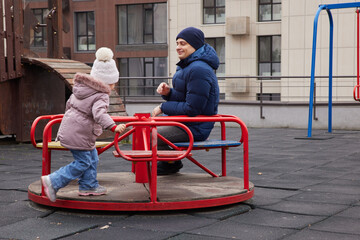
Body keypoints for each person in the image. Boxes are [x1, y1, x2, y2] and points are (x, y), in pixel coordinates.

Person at [41, 47, 126, 202]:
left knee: (92, 158)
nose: (114, 87)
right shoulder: (101, 95)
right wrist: (113, 126)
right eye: (113, 83)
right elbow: (99, 114)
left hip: (72, 130)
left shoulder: (81, 89)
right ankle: (53, 181)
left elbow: (68, 107)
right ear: (107, 81)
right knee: (83, 162)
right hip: (79, 134)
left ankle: (88, 185)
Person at [152, 27, 220, 175]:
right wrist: (169, 93)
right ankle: (168, 163)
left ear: (194, 45)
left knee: (150, 134)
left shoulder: (198, 69)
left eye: (183, 43)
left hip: (195, 126)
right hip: (185, 122)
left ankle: (169, 164)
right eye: (177, 43)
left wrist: (164, 106)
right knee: (143, 130)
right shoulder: (186, 66)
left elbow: (192, 109)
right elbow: (185, 98)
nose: (178, 47)